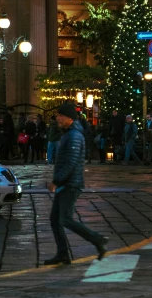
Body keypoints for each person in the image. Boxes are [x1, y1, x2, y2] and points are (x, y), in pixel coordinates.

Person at [44, 101, 108, 266]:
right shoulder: (68, 133)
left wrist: (56, 181)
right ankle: (63, 254)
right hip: (66, 183)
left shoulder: (73, 135)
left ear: (68, 118)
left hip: (70, 184)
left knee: (65, 219)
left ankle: (97, 239)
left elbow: (71, 162)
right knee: (55, 219)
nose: (57, 118)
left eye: (59, 115)